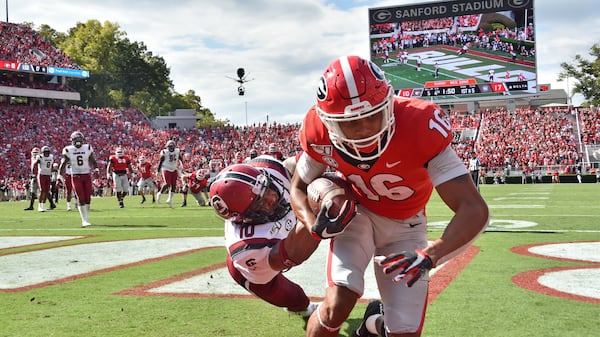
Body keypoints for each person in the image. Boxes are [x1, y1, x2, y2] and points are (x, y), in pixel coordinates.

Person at [289, 56, 489, 337]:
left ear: (389, 104)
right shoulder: (318, 131)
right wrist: (312, 224)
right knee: (337, 304)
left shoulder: (419, 124)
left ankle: (374, 325)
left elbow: (473, 208)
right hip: (356, 215)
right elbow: (298, 187)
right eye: (351, 123)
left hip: (406, 225)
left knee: (404, 329)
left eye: (372, 115)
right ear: (330, 123)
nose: (364, 130)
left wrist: (431, 255)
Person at [208, 155, 318, 318]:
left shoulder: (269, 168)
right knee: (298, 300)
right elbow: (294, 254)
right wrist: (317, 215)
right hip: (254, 272)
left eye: (268, 189)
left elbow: (294, 164)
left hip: (278, 238)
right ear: (244, 218)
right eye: (261, 203)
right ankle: (301, 309)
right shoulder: (246, 247)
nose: (272, 198)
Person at [58, 131, 99, 227]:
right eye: (76, 140)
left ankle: (85, 214)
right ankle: (84, 220)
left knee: (88, 198)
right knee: (81, 198)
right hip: (75, 175)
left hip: (86, 174)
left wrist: (96, 169)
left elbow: (93, 160)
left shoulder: (87, 147)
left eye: (79, 140)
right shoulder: (68, 149)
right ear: (72, 140)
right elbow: (63, 163)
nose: (78, 142)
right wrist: (59, 175)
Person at [156, 139, 183, 208]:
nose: (171, 148)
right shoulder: (164, 152)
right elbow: (160, 162)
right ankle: (159, 194)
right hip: (166, 168)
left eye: (172, 146)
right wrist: (157, 171)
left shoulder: (177, 151)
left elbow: (180, 158)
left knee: (174, 185)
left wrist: (181, 164)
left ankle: (169, 199)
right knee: (167, 184)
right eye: (169, 147)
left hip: (174, 169)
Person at [31, 145, 56, 212]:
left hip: (48, 175)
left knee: (47, 191)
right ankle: (40, 206)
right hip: (41, 175)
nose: (46, 153)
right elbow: (34, 164)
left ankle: (43, 206)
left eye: (47, 152)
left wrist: (52, 172)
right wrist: (33, 173)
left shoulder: (51, 157)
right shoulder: (40, 157)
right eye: (45, 152)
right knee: (42, 190)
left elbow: (51, 166)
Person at [23, 147, 40, 211]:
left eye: (36, 152)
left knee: (44, 191)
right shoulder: (32, 158)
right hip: (34, 176)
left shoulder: (39, 158)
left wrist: (36, 175)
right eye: (34, 152)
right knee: (33, 192)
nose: (35, 154)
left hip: (39, 176)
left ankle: (47, 204)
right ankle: (31, 206)